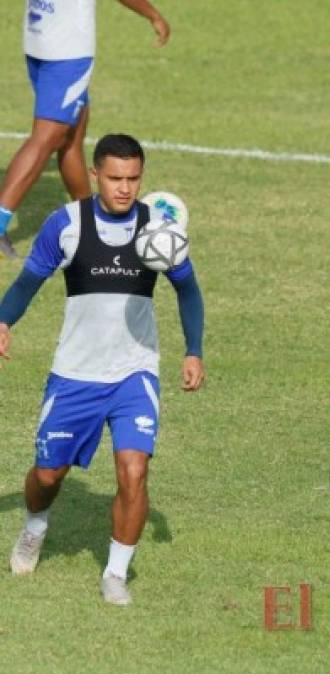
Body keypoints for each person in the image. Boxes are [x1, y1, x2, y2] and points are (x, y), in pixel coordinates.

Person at [0, 133, 205, 604]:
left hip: (135, 372)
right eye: (115, 178)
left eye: (134, 179)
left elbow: (189, 291)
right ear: (95, 174)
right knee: (48, 476)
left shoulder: (159, 228)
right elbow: (29, 280)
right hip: (75, 373)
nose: (125, 188)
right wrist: (5, 319)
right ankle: (34, 526)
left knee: (133, 472)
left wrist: (193, 350)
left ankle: (115, 572)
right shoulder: (66, 224)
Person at [0, 0, 170, 259]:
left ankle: (91, 225)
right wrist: (153, 14)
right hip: (67, 50)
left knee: (71, 136)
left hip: (40, 35)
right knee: (48, 136)